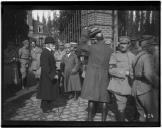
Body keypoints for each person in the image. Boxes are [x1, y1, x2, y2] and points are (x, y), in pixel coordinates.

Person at [79, 28, 113, 121]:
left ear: (95, 39)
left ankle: (90, 120)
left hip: (92, 76)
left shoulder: (92, 48)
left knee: (91, 98)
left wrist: (86, 32)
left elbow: (81, 45)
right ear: (103, 38)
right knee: (104, 99)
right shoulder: (110, 50)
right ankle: (103, 121)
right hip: (104, 76)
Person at [132, 35, 159, 122]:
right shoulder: (147, 57)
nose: (155, 47)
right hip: (145, 90)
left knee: (142, 116)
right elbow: (148, 74)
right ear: (149, 46)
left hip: (136, 89)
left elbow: (132, 73)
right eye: (153, 45)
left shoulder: (137, 56)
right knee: (152, 117)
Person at [107, 36, 135, 121]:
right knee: (121, 107)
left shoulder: (133, 56)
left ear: (128, 45)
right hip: (119, 85)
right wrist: (124, 72)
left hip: (132, 86)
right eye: (121, 43)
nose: (123, 45)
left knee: (130, 108)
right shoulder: (114, 55)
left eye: (125, 43)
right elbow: (111, 70)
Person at [37, 36, 59, 113]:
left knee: (49, 92)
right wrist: (53, 75)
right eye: (53, 44)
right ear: (48, 45)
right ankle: (45, 109)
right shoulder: (45, 53)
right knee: (46, 92)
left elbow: (51, 64)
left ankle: (47, 107)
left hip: (48, 76)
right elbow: (46, 67)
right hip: (47, 76)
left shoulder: (48, 52)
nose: (54, 46)